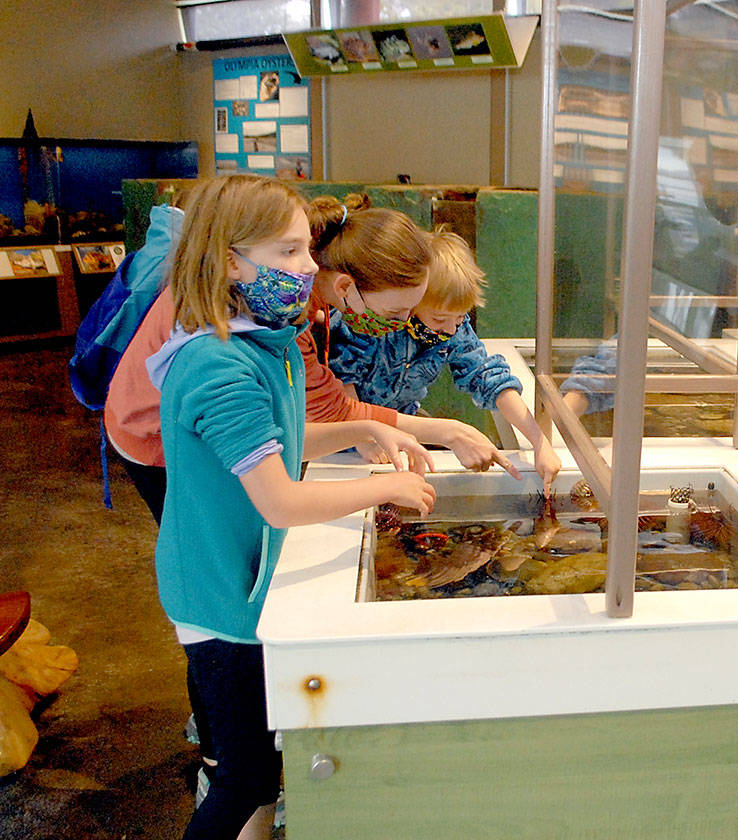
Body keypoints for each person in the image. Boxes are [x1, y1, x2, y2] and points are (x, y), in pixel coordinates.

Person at [149, 175, 436, 840]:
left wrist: (364, 430)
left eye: (306, 250)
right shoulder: (221, 368)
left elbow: (284, 443)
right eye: (285, 253)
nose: (307, 268)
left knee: (258, 768)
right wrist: (385, 487)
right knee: (244, 778)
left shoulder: (263, 340)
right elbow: (279, 499)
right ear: (227, 261)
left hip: (237, 584)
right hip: (218, 599)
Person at [105, 194, 515, 524]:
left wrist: (372, 427)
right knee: (215, 532)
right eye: (394, 315)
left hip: (218, 441)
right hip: (156, 436)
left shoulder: (282, 307)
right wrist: (424, 446)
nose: (306, 264)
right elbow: (285, 489)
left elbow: (295, 429)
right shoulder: (226, 359)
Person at [325, 227, 561, 489]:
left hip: (400, 439)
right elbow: (341, 381)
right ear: (411, 301)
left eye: (460, 317)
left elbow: (488, 378)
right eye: (439, 319)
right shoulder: (373, 322)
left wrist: (540, 443)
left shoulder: (454, 331)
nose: (450, 329)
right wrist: (362, 439)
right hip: (341, 445)